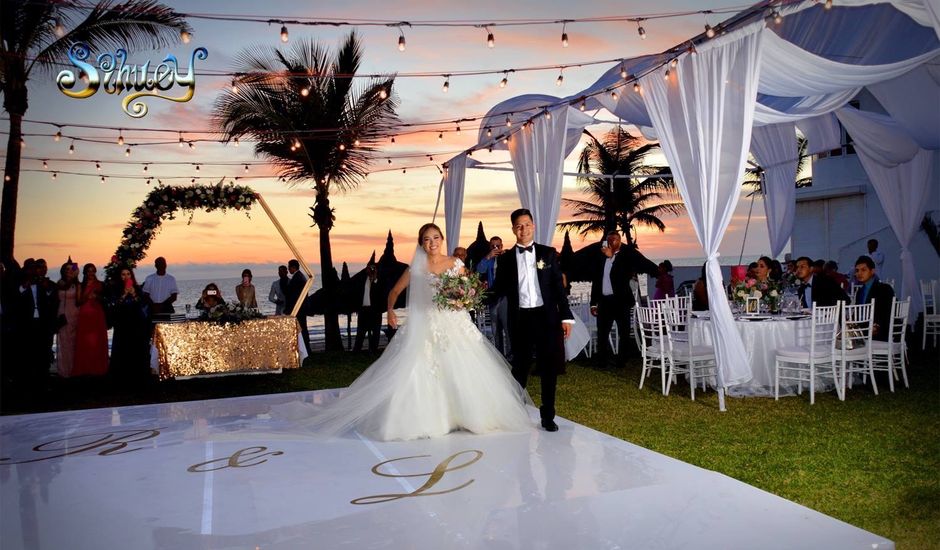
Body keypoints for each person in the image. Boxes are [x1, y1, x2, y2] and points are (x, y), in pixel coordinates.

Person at [303, 223, 532, 441]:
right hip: (426, 322)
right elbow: (394, 291)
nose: (432, 242)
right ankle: (429, 418)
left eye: (435, 238)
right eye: (426, 239)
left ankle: (470, 415)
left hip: (454, 321)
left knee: (464, 365)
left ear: (442, 239)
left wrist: (464, 300)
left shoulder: (455, 263)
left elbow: (470, 289)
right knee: (418, 367)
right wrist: (390, 312)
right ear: (421, 244)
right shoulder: (416, 268)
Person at [494, 209, 573, 433]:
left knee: (549, 368)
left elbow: (559, 289)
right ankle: (514, 413)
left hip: (546, 317)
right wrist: (469, 297)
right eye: (519, 226)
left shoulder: (548, 254)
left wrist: (566, 317)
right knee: (519, 366)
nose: (524, 229)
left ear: (533, 226)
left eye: (527, 224)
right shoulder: (507, 259)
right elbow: (498, 289)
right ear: (513, 229)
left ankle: (548, 416)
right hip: (520, 318)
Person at [589, 231, 636, 368]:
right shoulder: (600, 259)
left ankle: (622, 361)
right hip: (604, 301)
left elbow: (623, 276)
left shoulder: (626, 256)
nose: (611, 243)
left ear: (619, 241)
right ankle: (602, 361)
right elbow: (596, 282)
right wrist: (593, 303)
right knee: (602, 333)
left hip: (621, 301)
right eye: (609, 241)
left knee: (624, 333)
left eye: (614, 240)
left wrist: (611, 258)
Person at [106, 267, 150, 381]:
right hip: (122, 324)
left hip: (136, 324)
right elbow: (113, 306)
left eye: (128, 274)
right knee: (122, 349)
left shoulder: (138, 289)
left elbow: (144, 307)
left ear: (132, 275)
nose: (126, 277)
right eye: (123, 274)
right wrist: (124, 295)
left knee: (136, 349)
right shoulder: (116, 289)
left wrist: (134, 294)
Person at [475, 236, 511, 358]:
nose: (496, 248)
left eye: (498, 246)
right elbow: (479, 269)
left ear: (502, 246)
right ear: (490, 247)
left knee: (508, 328)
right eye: (493, 246)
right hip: (493, 297)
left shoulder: (507, 257)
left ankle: (511, 356)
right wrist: (488, 256)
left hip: (506, 297)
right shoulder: (488, 259)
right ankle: (500, 356)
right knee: (495, 329)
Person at [73, 263, 109, 376]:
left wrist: (97, 297)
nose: (91, 273)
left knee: (97, 342)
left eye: (93, 270)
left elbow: (105, 300)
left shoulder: (100, 284)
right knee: (84, 343)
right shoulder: (81, 285)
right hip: (84, 316)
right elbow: (78, 302)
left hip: (97, 315)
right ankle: (85, 369)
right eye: (89, 271)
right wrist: (87, 297)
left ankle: (98, 369)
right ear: (85, 272)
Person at [853, 256, 894, 341]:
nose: (859, 273)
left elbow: (888, 311)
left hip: (879, 330)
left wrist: (877, 325)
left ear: (872, 271)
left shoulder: (884, 288)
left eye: (863, 270)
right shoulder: (859, 291)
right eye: (857, 271)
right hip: (863, 329)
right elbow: (858, 312)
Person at [55, 260, 81, 378]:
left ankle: (74, 369)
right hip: (62, 313)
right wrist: (73, 276)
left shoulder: (77, 284)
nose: (69, 271)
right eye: (67, 269)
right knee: (63, 341)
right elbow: (64, 287)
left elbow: (79, 301)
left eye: (71, 269)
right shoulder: (60, 282)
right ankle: (64, 370)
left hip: (74, 313)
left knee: (73, 342)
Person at [353, 263, 382, 353]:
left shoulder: (378, 280)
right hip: (364, 309)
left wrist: (375, 278)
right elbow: (357, 292)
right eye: (369, 269)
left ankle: (373, 349)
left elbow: (380, 291)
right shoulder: (362, 280)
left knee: (375, 331)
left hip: (375, 310)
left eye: (371, 269)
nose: (369, 271)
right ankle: (357, 350)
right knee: (361, 331)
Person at [284, 259, 311, 355]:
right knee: (302, 328)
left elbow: (293, 296)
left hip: (299, 309)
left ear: (293, 267)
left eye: (289, 267)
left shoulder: (297, 278)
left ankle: (306, 350)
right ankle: (306, 349)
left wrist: (290, 309)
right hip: (301, 308)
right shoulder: (299, 277)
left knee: (302, 329)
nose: (288, 269)